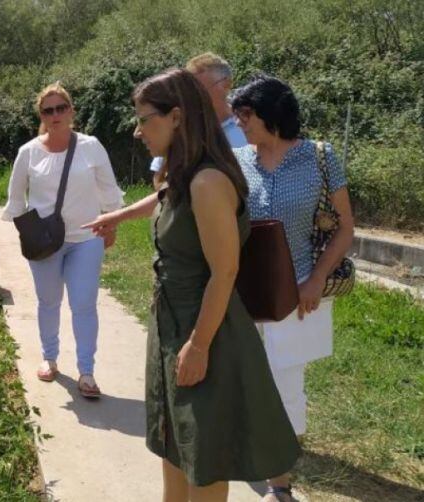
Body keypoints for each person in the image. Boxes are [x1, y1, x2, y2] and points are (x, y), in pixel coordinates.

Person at [130, 69, 299, 501]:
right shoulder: (179, 178)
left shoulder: (207, 182)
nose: (137, 130)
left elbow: (224, 272)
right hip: (173, 328)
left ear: (176, 117)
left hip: (205, 332)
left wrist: (199, 345)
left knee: (204, 457)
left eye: (144, 118)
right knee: (174, 446)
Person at [230, 75, 354, 502]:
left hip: (298, 292)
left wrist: (316, 278)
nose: (240, 123)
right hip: (244, 292)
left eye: (245, 114)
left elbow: (345, 228)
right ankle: (249, 454)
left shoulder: (319, 156)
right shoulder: (237, 160)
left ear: (270, 113)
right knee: (245, 378)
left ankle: (279, 483)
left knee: (286, 384)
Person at [1, 82, 124, 398]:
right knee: (49, 301)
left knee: (84, 304)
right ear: (41, 115)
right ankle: (50, 358)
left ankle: (86, 372)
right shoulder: (28, 152)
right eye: (48, 110)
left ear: (71, 111)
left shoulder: (91, 146)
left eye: (60, 108)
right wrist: (26, 234)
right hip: (44, 243)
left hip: (86, 238)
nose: (55, 115)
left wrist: (111, 226)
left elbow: (109, 190)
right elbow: (15, 201)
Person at [149, 53, 248, 185]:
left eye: (201, 89)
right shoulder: (180, 129)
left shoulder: (250, 126)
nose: (193, 97)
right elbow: (160, 179)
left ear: (227, 85)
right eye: (189, 91)